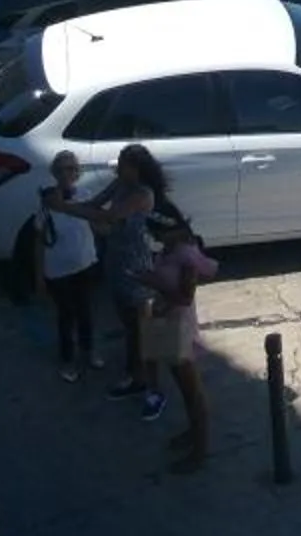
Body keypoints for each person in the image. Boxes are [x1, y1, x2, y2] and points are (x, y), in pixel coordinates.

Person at [87, 145, 169, 413]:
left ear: (137, 168)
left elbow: (109, 215)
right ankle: (137, 378)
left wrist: (65, 208)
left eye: (124, 165)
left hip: (138, 268)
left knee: (146, 331)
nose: (119, 169)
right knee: (131, 329)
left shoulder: (142, 193)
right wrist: (75, 207)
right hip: (117, 262)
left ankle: (155, 390)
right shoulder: (120, 184)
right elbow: (96, 205)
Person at [140, 210, 215, 469]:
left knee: (192, 390)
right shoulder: (169, 250)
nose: (153, 237)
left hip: (179, 325)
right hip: (164, 319)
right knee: (181, 386)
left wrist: (148, 280)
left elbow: (185, 297)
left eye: (156, 233)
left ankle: (200, 452)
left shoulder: (185, 256)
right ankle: (192, 433)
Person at [37, 155, 103, 381]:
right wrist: (39, 276)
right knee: (66, 315)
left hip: (84, 264)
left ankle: (89, 350)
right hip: (58, 270)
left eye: (72, 169)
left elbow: (95, 226)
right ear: (55, 173)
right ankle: (68, 360)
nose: (67, 174)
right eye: (62, 169)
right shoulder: (47, 202)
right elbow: (39, 240)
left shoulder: (84, 196)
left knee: (86, 311)